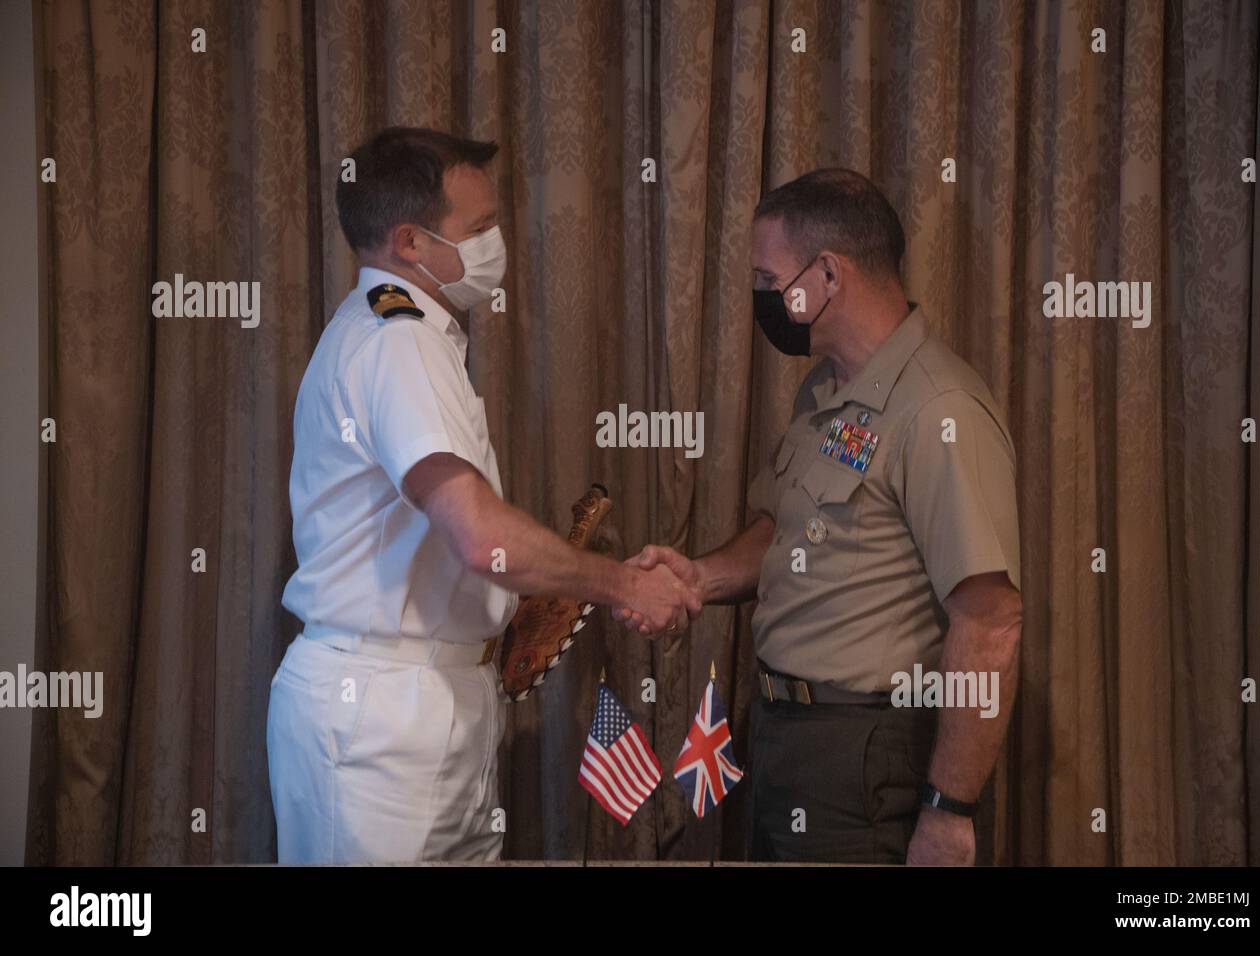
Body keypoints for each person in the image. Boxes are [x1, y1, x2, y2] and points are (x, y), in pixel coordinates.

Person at [267, 127, 699, 863]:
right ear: (410, 240)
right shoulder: (396, 342)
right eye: (482, 228)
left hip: (432, 701)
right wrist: (623, 582)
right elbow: (478, 535)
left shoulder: (409, 334)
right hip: (381, 717)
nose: (498, 242)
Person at [616, 168, 1022, 865]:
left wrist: (949, 811)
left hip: (864, 752)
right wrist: (700, 578)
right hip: (785, 737)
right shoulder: (827, 388)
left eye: (771, 281)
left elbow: (989, 618)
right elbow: (784, 530)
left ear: (827, 274)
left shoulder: (938, 412)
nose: (763, 299)